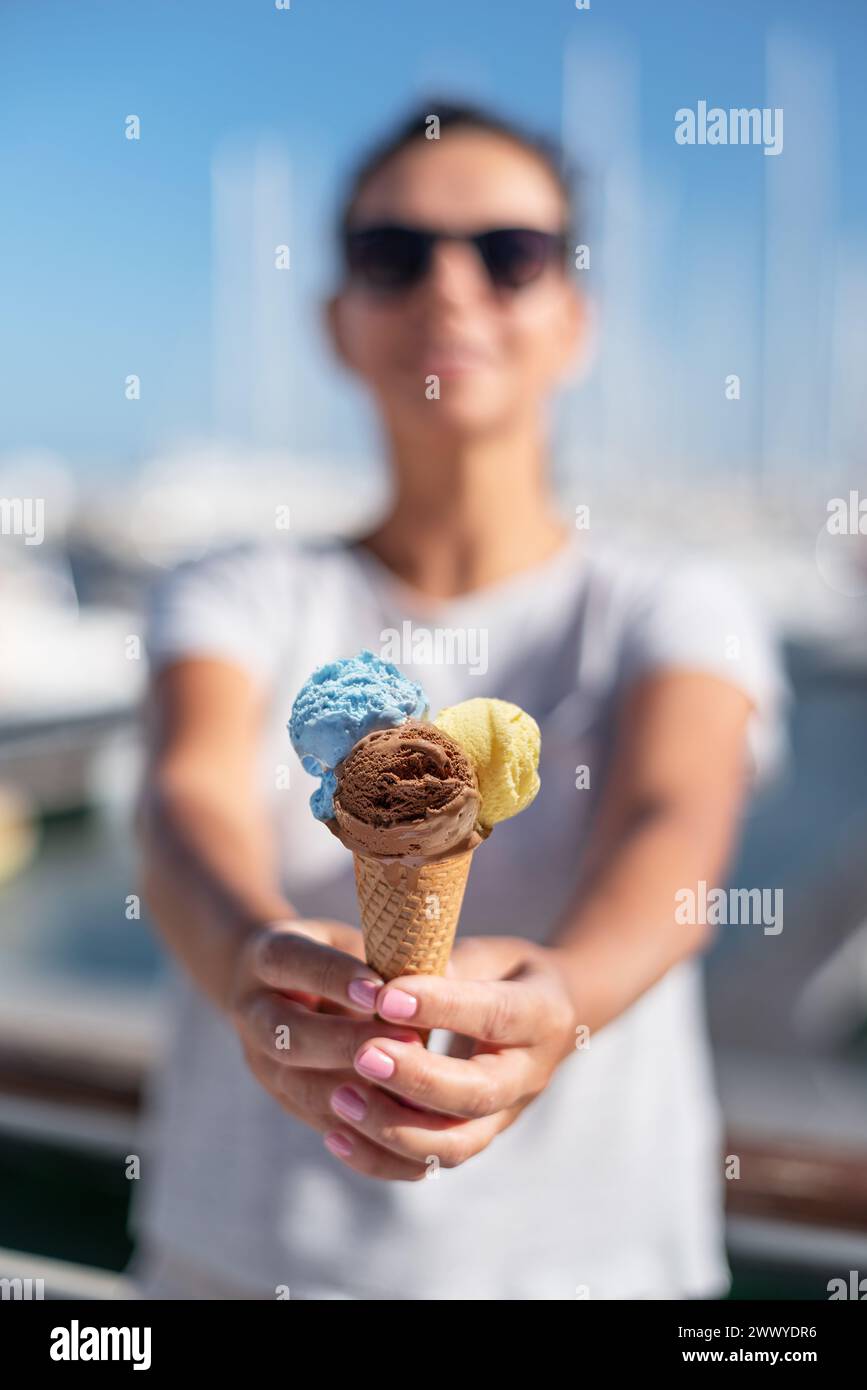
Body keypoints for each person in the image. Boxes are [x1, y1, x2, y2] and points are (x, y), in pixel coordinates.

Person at [127, 101, 786, 1301]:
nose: (450, 288)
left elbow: (674, 834)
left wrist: (569, 994)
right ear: (339, 319)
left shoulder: (671, 603)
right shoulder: (241, 589)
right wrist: (239, 958)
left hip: (591, 1271)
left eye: (508, 253)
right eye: (395, 254)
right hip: (235, 1260)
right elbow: (186, 800)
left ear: (572, 317)